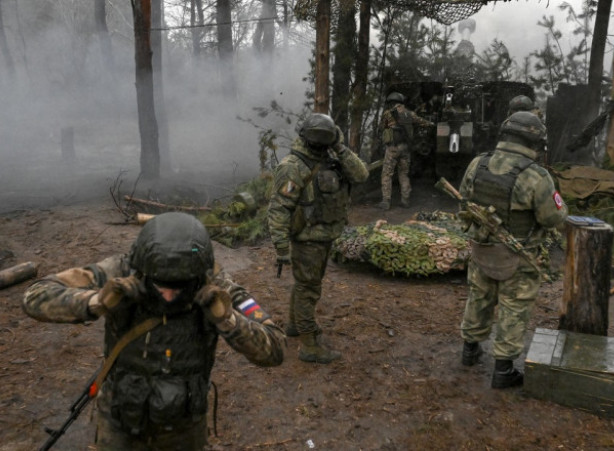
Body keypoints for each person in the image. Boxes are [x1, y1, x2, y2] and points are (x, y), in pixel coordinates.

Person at [22, 212, 285, 449]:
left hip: (183, 430)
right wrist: (95, 302)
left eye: (179, 287)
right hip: (119, 423)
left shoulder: (216, 285)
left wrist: (228, 321)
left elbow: (275, 348)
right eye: (161, 286)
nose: (169, 296)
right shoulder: (121, 270)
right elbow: (36, 295)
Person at [457, 111, 568, 389]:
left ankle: (469, 351)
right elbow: (552, 218)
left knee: (479, 297)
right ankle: (503, 371)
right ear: (535, 142)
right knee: (514, 307)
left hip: (482, 250)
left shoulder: (477, 164)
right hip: (518, 257)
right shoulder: (536, 176)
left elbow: (464, 204)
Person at [267, 113, 369, 364]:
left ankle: (294, 326)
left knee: (305, 285)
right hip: (307, 239)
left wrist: (340, 147)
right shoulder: (293, 166)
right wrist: (281, 247)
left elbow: (361, 175)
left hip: (323, 235)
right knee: (308, 288)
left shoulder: (332, 159)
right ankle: (309, 345)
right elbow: (279, 209)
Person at [379, 91, 434, 210]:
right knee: (403, 174)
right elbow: (423, 122)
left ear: (392, 102)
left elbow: (382, 127)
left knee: (387, 174)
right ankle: (405, 200)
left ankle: (386, 201)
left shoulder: (388, 114)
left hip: (392, 148)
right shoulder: (410, 114)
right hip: (405, 148)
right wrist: (431, 123)